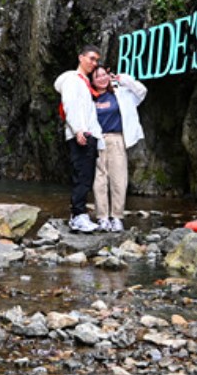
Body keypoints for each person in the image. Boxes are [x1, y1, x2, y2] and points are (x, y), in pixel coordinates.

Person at [90, 65, 147, 232]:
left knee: (119, 179)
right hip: (97, 139)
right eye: (97, 76)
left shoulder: (120, 93)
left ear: (109, 76)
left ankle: (116, 217)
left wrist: (126, 80)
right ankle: (102, 217)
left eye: (104, 75)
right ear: (92, 81)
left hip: (116, 138)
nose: (101, 78)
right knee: (99, 180)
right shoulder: (89, 97)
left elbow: (142, 92)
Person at [53, 44, 103, 233]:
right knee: (82, 176)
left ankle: (80, 215)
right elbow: (70, 105)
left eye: (97, 60)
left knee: (86, 175)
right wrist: (78, 130)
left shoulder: (84, 82)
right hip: (81, 134)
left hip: (87, 133)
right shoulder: (73, 80)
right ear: (80, 57)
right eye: (91, 58)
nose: (94, 63)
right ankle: (78, 216)